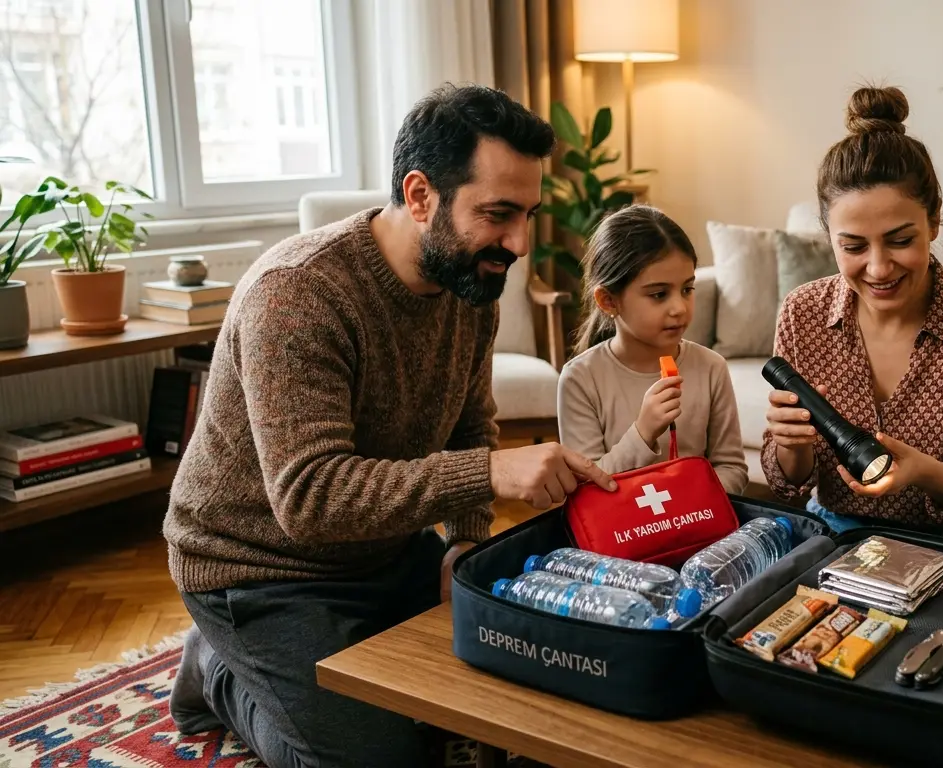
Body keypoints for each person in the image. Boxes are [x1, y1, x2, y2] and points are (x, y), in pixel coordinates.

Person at [162, 83, 616, 768]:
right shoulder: (298, 294)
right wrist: (492, 475)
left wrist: (464, 546)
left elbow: (470, 427)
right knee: (378, 758)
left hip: (384, 547)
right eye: (498, 214)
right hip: (258, 569)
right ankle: (218, 671)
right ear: (420, 195)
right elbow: (310, 501)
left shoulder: (471, 284)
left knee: (531, 685)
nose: (519, 243)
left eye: (527, 214)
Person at [762, 85, 943, 535]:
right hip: (832, 536)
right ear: (828, 235)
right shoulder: (802, 312)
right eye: (854, 246)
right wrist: (791, 444)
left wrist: (923, 471)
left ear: (934, 220)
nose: (879, 268)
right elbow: (789, 485)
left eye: (901, 240)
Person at [557, 205, 749, 494]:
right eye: (659, 295)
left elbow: (732, 469)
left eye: (687, 289)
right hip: (622, 532)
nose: (679, 308)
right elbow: (586, 490)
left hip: (701, 527)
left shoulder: (711, 368)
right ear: (608, 301)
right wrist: (643, 432)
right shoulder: (580, 379)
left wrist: (687, 505)